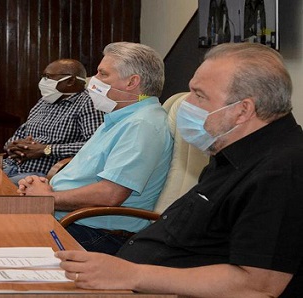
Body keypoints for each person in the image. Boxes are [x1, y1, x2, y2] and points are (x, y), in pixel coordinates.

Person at [55, 43, 303, 297]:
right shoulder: (233, 152)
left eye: (199, 95)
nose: (187, 103)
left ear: (243, 110)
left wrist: (131, 274)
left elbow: (257, 285)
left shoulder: (283, 171)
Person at [18, 42, 173, 255]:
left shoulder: (142, 125)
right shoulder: (119, 118)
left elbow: (110, 195)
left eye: (103, 74)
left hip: (97, 233)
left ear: (132, 82)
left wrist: (47, 199)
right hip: (73, 219)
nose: (93, 81)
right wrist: (44, 187)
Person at [3, 59, 105, 185]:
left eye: (48, 77)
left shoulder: (88, 103)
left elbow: (95, 146)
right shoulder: (45, 101)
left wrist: (46, 149)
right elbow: (22, 132)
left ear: (70, 81)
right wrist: (13, 147)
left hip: (41, 175)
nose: (43, 81)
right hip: (11, 166)